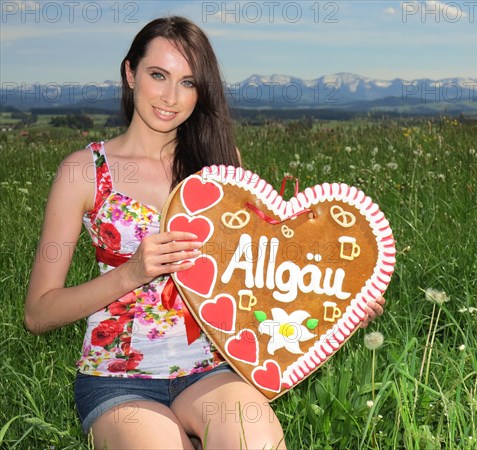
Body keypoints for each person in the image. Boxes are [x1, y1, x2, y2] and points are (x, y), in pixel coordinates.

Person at [24, 16, 385, 449]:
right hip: (118, 379)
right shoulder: (84, 172)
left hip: (213, 369)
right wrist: (132, 272)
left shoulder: (220, 165)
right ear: (129, 73)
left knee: (257, 440)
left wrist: (337, 300)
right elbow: (38, 313)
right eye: (158, 75)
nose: (171, 97)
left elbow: (262, 273)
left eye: (189, 82)